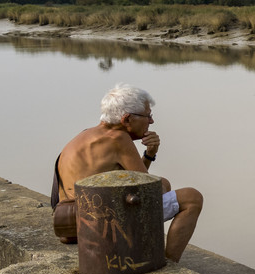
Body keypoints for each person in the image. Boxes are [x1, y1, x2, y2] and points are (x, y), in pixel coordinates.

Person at [54, 84, 203, 262]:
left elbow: (133, 178)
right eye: (148, 116)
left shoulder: (87, 135)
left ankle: (143, 248)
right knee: (192, 198)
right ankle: (168, 262)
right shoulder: (118, 138)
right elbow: (147, 190)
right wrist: (151, 152)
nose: (151, 121)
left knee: (164, 183)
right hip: (99, 224)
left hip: (72, 221)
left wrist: (149, 154)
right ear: (126, 119)